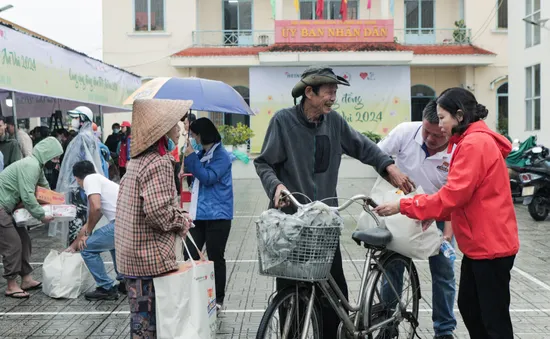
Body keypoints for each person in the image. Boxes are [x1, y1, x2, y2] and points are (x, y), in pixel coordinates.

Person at [254, 65, 414, 338]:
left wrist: (389, 168)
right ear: (309, 93)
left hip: (324, 225)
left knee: (334, 296)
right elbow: (264, 163)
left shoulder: (335, 123)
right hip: (290, 226)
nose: (332, 98)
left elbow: (364, 147)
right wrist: (276, 186)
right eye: (328, 92)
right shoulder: (283, 122)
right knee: (290, 293)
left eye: (334, 92)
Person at [374, 87, 520, 339]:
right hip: (480, 245)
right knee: (471, 308)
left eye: (442, 118)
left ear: (460, 116)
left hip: (490, 245)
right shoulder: (468, 141)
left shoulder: (474, 144)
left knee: (492, 320)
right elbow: (459, 198)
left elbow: (453, 196)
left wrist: (404, 206)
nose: (439, 125)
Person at [376, 100, 456, 339]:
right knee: (392, 267)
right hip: (402, 209)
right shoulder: (404, 132)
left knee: (444, 272)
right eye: (426, 132)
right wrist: (392, 170)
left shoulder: (457, 150)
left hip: (440, 214)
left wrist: (447, 235)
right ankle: (388, 323)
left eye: (437, 135)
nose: (431, 139)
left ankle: (444, 330)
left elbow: (455, 196)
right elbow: (375, 156)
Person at [115, 99, 193, 338]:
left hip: (132, 255)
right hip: (148, 258)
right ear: (162, 131)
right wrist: (182, 222)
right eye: (175, 124)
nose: (180, 128)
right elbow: (158, 213)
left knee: (140, 320)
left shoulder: (138, 161)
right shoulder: (157, 163)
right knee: (149, 325)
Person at [0, 137, 63, 298]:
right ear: (46, 154)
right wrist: (42, 215)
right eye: (54, 156)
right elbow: (27, 196)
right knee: (13, 244)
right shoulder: (30, 165)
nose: (55, 160)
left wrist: (55, 203)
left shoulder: (37, 166)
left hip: (9, 208)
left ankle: (26, 278)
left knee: (25, 241)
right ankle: (11, 284)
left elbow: (44, 190)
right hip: (2, 207)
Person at [183, 117, 233, 310]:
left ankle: (218, 298)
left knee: (215, 257)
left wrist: (191, 157)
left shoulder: (221, 156)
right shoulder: (202, 152)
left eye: (195, 135)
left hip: (218, 215)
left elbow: (208, 177)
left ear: (203, 134)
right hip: (199, 214)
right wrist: (187, 156)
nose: (194, 138)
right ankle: (194, 294)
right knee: (190, 255)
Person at [68, 160, 124, 300]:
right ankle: (125, 282)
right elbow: (93, 217)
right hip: (126, 222)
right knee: (113, 246)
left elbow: (96, 207)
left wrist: (86, 236)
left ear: (77, 178)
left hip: (120, 223)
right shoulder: (100, 179)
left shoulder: (89, 180)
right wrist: (73, 246)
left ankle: (106, 287)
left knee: (87, 248)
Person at [56, 106, 106, 246]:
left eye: (76, 118)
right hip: (82, 184)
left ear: (83, 119)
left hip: (78, 186)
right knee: (81, 217)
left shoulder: (82, 138)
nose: (74, 121)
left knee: (76, 220)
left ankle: (76, 249)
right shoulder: (89, 137)